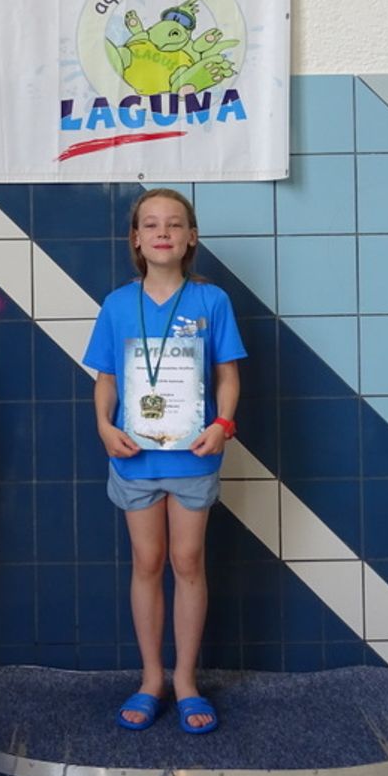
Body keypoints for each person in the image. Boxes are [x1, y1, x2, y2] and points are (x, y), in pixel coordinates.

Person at [83, 188, 244, 733]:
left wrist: (223, 425)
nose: (162, 233)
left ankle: (186, 680)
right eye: (150, 224)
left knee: (188, 561)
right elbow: (106, 378)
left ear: (191, 237)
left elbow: (227, 375)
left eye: (174, 224)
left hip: (193, 455)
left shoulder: (211, 301)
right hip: (135, 457)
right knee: (147, 563)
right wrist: (104, 427)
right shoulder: (116, 304)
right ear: (135, 239)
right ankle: (152, 677)